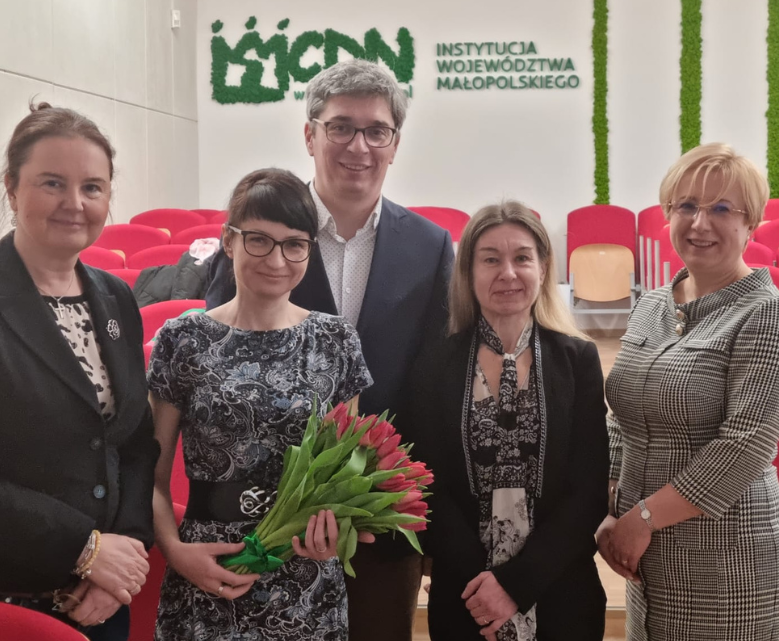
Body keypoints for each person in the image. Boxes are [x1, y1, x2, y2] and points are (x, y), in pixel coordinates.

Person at [204, 59, 454, 640]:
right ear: (310, 134)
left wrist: (426, 522)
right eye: (341, 126)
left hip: (380, 526)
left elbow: (436, 391)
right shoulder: (258, 230)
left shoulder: (430, 246)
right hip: (262, 515)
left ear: (394, 144)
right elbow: (218, 360)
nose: (358, 145)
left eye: (376, 130)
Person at [0, 103, 159, 641]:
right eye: (52, 183)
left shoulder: (115, 296)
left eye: (93, 187)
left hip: (100, 601)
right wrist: (86, 549)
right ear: (11, 188)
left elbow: (137, 443)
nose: (75, 204)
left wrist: (123, 551)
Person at [149, 168, 376, 641]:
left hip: (305, 579)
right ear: (228, 241)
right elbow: (147, 472)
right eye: (258, 240)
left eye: (294, 244)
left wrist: (334, 531)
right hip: (208, 568)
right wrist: (174, 550)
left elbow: (345, 472)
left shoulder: (336, 340)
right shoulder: (183, 339)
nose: (277, 259)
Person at [597, 142, 779, 641]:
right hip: (645, 554)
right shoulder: (651, 304)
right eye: (686, 205)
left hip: (730, 559)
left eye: (720, 209)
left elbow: (746, 447)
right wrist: (610, 505)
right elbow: (622, 417)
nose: (699, 223)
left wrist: (641, 518)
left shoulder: (769, 314)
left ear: (751, 222)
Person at [401, 201, 609, 641]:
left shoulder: (578, 360)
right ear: (468, 272)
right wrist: (485, 586)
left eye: (522, 258)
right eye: (491, 259)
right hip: (466, 595)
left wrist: (517, 585)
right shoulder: (434, 363)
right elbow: (426, 484)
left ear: (543, 267)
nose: (508, 273)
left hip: (560, 591)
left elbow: (588, 488)